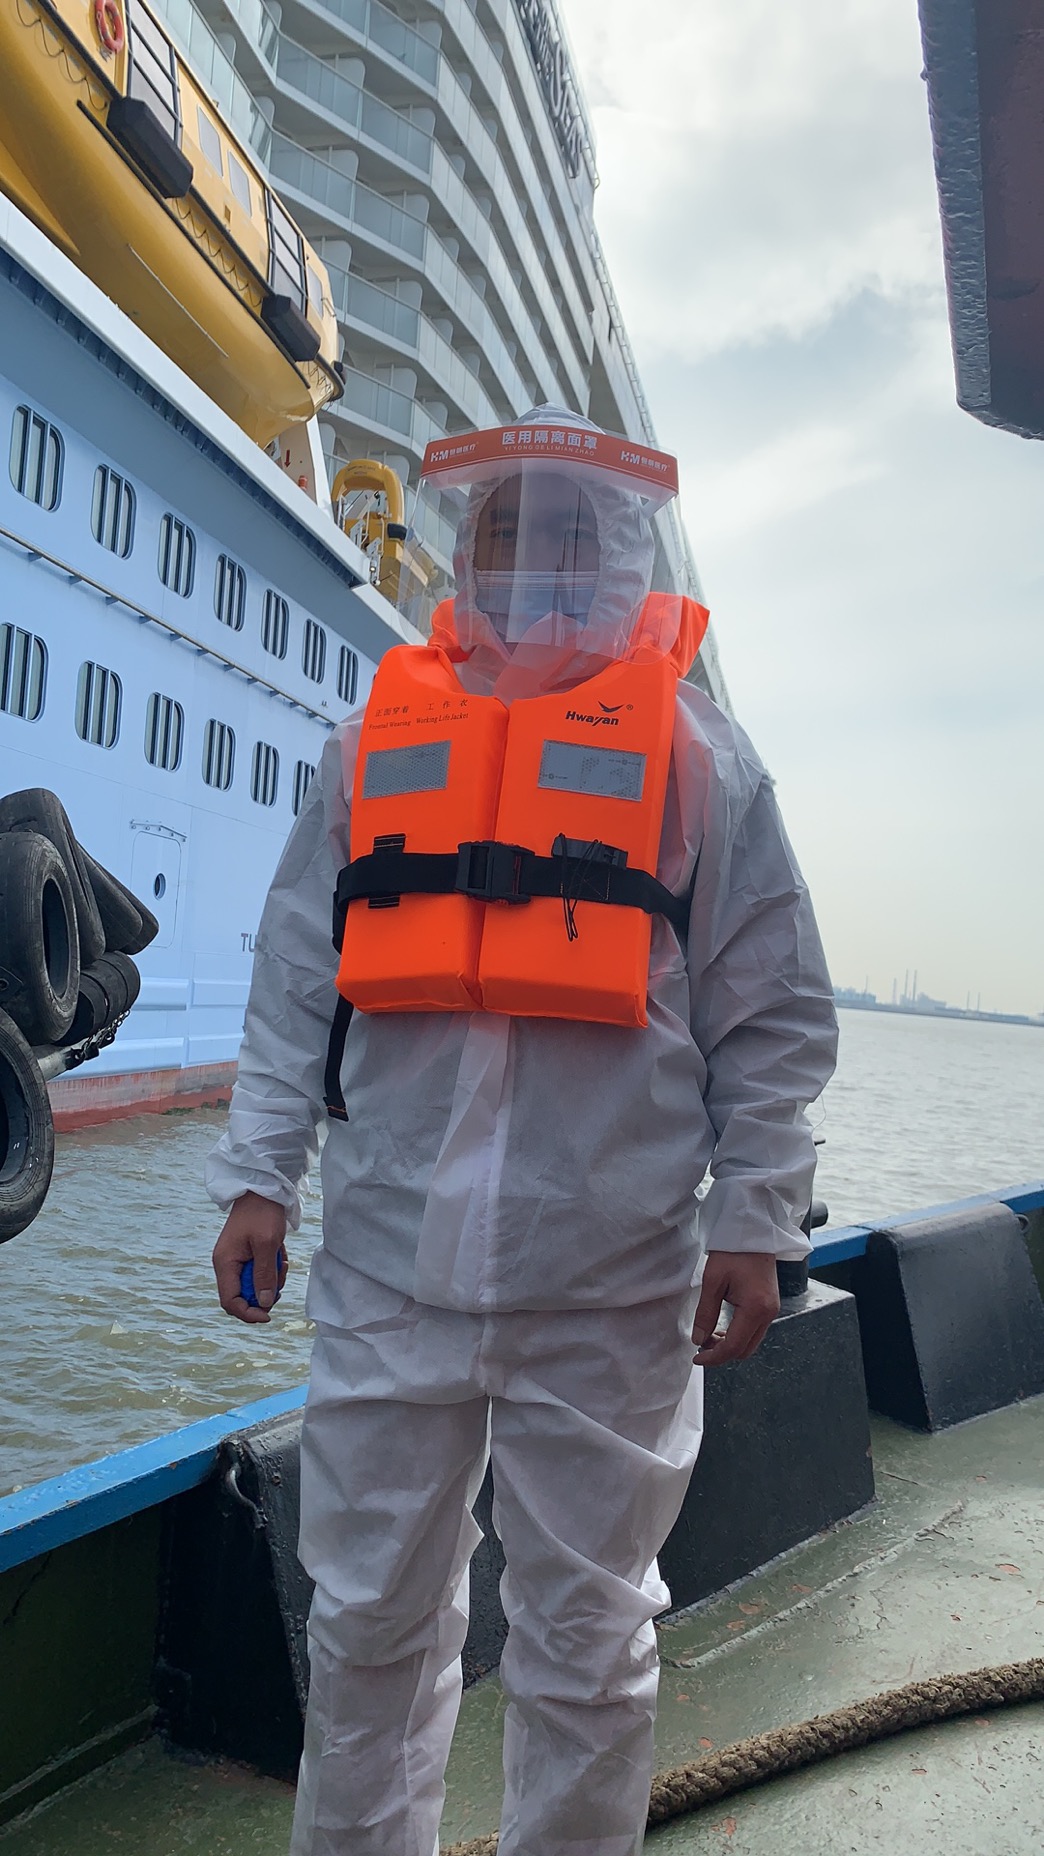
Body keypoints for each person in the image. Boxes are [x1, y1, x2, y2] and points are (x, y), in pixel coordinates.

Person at [207, 405, 838, 1856]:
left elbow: (771, 1011)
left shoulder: (702, 760)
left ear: (617, 551)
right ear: (466, 549)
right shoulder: (367, 746)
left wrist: (755, 1215)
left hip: (610, 1282)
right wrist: (258, 1179)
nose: (536, 560)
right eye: (508, 529)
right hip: (387, 1271)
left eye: (569, 531)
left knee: (588, 1641)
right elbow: (296, 976)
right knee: (366, 1623)